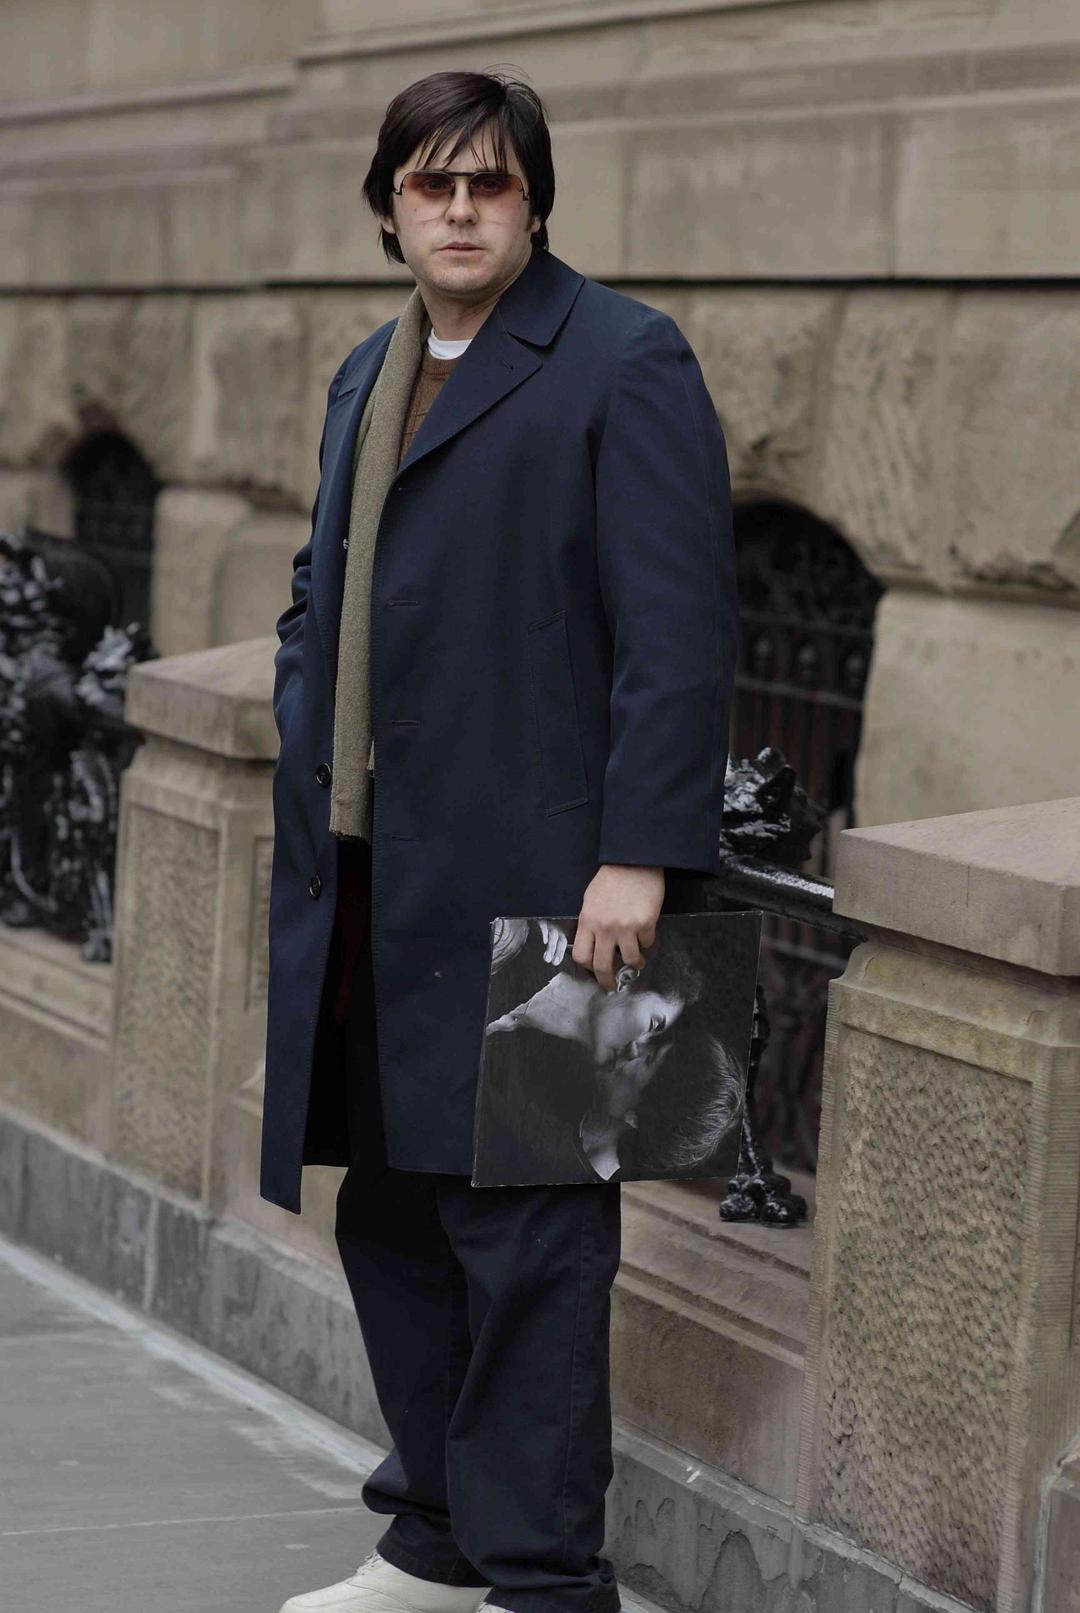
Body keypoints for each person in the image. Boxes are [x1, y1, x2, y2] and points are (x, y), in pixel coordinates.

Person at [262, 66, 739, 1613]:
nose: (460, 210)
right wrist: (304, 707)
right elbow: (323, 590)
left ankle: (544, 1583)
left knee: (532, 1243)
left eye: (492, 183)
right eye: (432, 183)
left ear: (534, 204)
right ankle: (436, 1539)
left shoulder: (625, 356)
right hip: (372, 879)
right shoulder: (370, 368)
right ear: (389, 207)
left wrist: (640, 852)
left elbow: (678, 631)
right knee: (391, 1212)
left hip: (556, 884)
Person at [477, 920, 744, 1184]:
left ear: (635, 1117)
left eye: (648, 1058)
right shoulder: (521, 946)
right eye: (653, 1029)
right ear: (625, 979)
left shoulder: (539, 1120)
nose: (636, 1047)